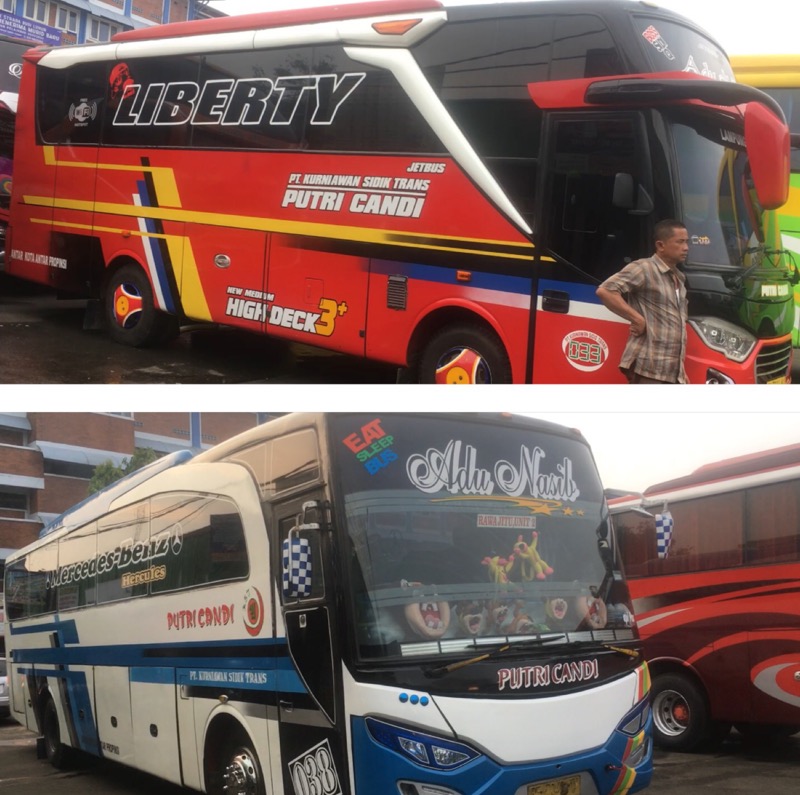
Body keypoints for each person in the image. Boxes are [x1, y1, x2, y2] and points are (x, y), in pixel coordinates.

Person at [596, 219, 689, 384]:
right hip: (649, 368)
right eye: (680, 242)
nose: (686, 248)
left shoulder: (678, 278)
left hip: (673, 373)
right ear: (660, 245)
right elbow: (606, 290)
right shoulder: (644, 268)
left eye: (687, 242)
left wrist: (681, 373)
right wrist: (636, 318)